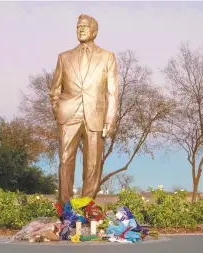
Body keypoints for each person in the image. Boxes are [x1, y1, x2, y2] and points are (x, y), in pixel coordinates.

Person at [50, 14, 118, 205]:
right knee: (65, 161)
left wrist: (109, 121)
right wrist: (58, 109)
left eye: (85, 27)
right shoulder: (64, 57)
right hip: (68, 114)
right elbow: (54, 90)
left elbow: (112, 93)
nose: (80, 30)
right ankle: (65, 210)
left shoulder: (107, 57)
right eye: (78, 27)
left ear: (94, 30)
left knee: (93, 165)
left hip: (95, 115)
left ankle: (86, 208)